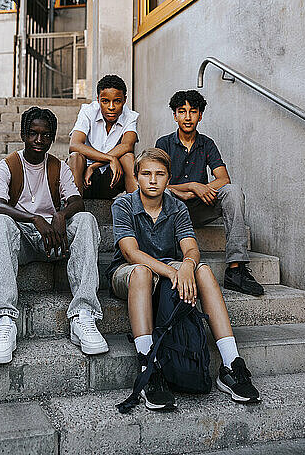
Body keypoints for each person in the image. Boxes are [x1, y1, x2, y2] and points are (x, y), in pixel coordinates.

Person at [107, 148, 260, 411]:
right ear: (137, 177)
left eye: (159, 174)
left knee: (203, 270)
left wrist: (188, 265)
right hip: (129, 273)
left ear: (169, 179)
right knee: (143, 272)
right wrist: (173, 272)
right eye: (146, 174)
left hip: (169, 269)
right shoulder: (123, 204)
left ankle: (231, 364)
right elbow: (131, 253)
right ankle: (148, 366)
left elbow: (191, 249)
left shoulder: (177, 206)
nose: (152, 180)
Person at [0, 106, 108, 365]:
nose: (39, 141)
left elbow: (76, 200)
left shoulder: (59, 167)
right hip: (24, 239)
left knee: (85, 220)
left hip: (54, 239)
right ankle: (3, 319)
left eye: (45, 135)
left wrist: (61, 216)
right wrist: (34, 218)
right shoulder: (7, 166)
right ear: (23, 134)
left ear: (52, 137)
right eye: (33, 134)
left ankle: (83, 315)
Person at [155, 90, 264, 297]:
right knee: (164, 196)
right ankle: (169, 261)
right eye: (182, 111)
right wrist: (190, 187)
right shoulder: (164, 144)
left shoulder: (207, 143)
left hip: (200, 208)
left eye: (193, 112)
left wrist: (197, 189)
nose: (188, 117)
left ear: (200, 115)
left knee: (233, 192)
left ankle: (236, 270)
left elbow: (224, 179)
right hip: (173, 210)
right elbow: (157, 184)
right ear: (174, 115)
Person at [68, 74, 138, 198]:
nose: (111, 107)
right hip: (83, 178)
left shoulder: (130, 116)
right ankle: (75, 208)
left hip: (111, 179)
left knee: (128, 157)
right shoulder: (88, 111)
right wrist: (110, 158)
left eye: (117, 101)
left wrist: (95, 165)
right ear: (98, 99)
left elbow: (127, 145)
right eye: (105, 101)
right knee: (75, 157)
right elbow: (74, 145)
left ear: (124, 100)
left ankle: (137, 210)